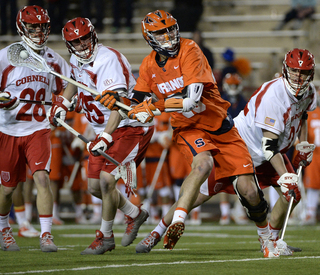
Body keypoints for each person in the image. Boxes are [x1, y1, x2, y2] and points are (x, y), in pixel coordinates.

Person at [104, 10, 281, 258]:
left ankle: (265, 239)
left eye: (169, 30)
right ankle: (178, 220)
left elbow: (191, 99)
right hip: (188, 128)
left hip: (220, 126)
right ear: (149, 37)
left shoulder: (190, 50)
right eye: (160, 33)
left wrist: (154, 106)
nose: (168, 36)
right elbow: (136, 101)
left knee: (250, 192)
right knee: (202, 164)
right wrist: (116, 101)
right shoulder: (147, 65)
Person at [134, 47, 315, 257]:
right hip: (243, 147)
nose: (299, 77)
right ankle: (156, 233)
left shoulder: (309, 92)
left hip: (269, 152)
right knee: (199, 196)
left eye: (303, 73)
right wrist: (285, 175)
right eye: (295, 71)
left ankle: (272, 241)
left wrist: (302, 143)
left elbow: (302, 116)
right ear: (285, 69)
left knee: (292, 194)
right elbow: (269, 146)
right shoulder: (274, 95)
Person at [49, 17, 155, 255]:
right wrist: (63, 104)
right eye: (75, 41)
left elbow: (117, 105)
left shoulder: (108, 60)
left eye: (84, 37)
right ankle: (135, 214)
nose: (82, 44)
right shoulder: (76, 58)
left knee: (107, 181)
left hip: (128, 126)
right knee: (95, 187)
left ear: (93, 35)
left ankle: (105, 237)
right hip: (102, 129)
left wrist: (106, 137)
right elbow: (73, 81)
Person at [0, 5, 70, 252]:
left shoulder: (53, 59)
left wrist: (61, 102)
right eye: (33, 28)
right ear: (22, 28)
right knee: (8, 189)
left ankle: (46, 234)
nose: (39, 32)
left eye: (42, 27)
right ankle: (4, 229)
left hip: (38, 128)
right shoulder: (5, 56)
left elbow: (69, 84)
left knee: (41, 178)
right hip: (9, 129)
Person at [219, 73, 249, 225]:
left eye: (235, 85)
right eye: (230, 85)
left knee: (242, 178)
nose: (232, 88)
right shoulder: (220, 100)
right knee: (224, 178)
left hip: (241, 143)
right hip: (224, 142)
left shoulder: (244, 102)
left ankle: (239, 210)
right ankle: (225, 213)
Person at [301, 91, 320, 225]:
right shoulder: (311, 113)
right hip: (315, 152)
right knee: (312, 184)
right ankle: (311, 212)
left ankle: (311, 212)